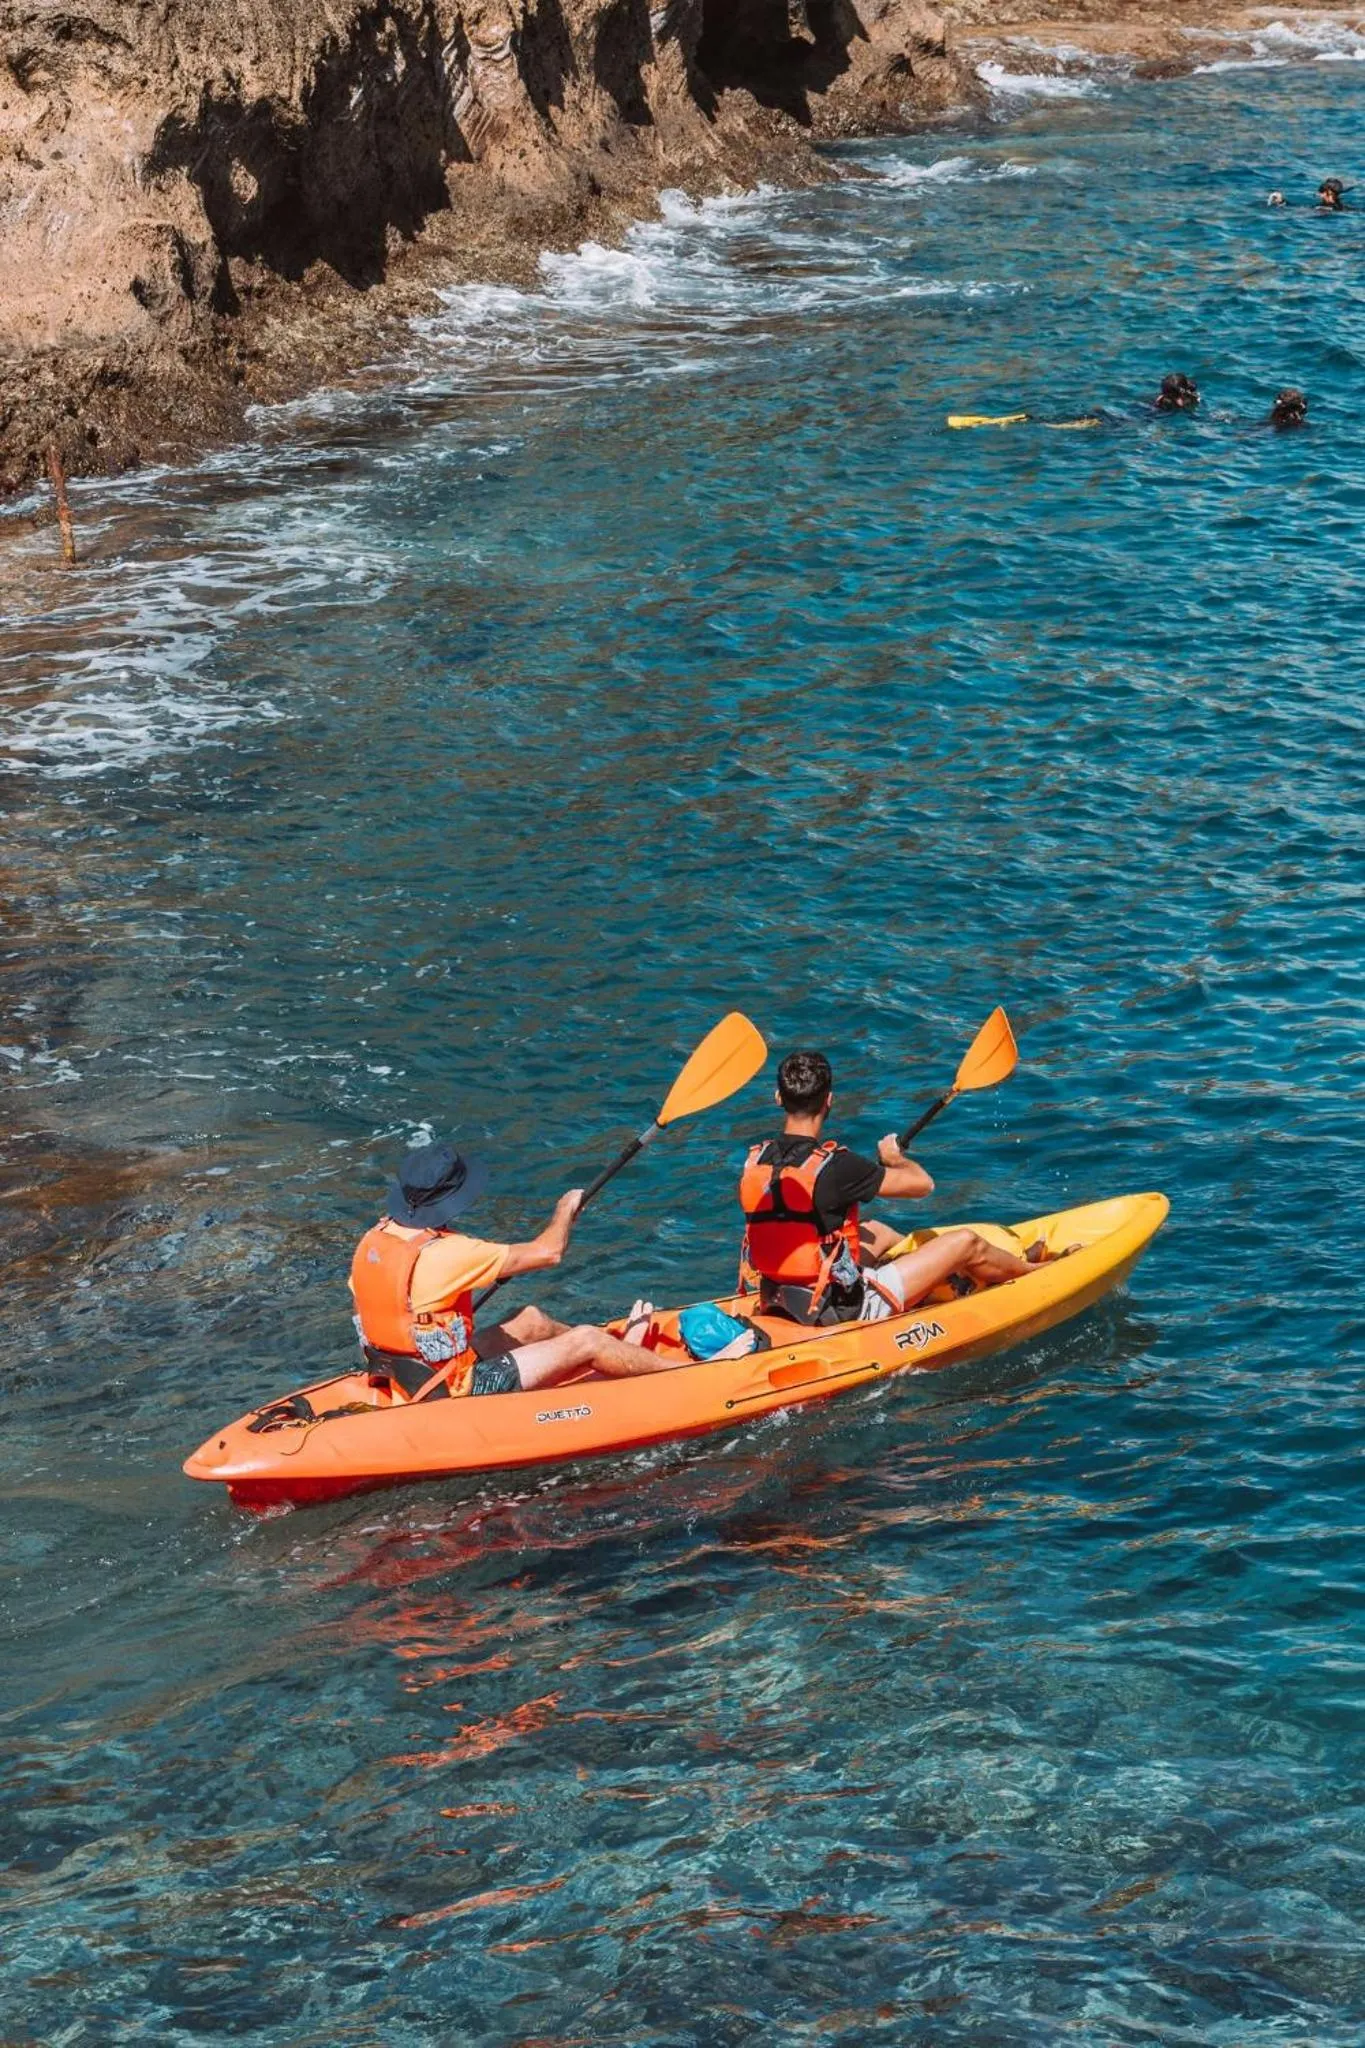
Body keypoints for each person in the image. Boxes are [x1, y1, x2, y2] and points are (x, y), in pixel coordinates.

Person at [737, 1050, 1050, 1329]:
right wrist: (894, 1159)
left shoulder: (755, 1161)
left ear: (779, 1097)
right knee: (967, 1242)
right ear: (829, 1099)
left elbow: (807, 1214)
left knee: (877, 1231)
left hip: (776, 1293)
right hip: (838, 1308)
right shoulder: (836, 1167)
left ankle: (945, 1278)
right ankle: (1030, 1270)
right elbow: (922, 1185)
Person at [349, 1139, 674, 1400]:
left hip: (402, 1372)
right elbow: (549, 1252)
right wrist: (565, 1212)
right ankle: (684, 1375)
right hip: (450, 1389)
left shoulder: (374, 1240)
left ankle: (625, 1353)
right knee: (587, 1339)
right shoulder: (450, 1252)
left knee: (530, 1320)